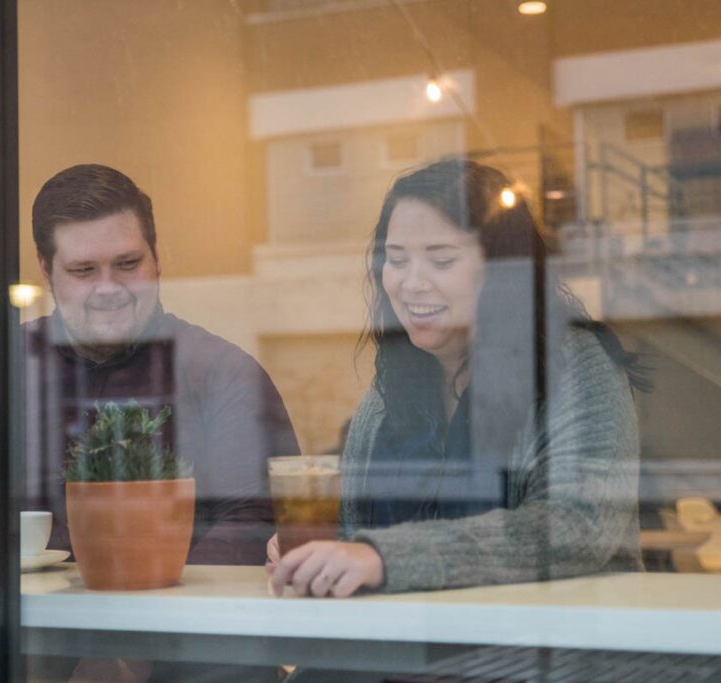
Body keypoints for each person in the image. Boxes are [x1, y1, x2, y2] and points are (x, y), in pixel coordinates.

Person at [0, 163, 299, 567]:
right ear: (47, 272)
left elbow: (254, 525)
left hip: (177, 649)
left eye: (128, 264)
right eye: (84, 271)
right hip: (10, 649)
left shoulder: (223, 372)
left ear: (158, 260)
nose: (109, 288)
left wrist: (130, 649)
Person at [268, 159, 646, 598]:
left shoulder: (578, 364)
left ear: (503, 269)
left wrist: (382, 557)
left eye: (441, 260)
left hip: (545, 651)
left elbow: (575, 528)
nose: (411, 284)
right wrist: (317, 555)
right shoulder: (393, 385)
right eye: (396, 260)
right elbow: (356, 530)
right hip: (409, 648)